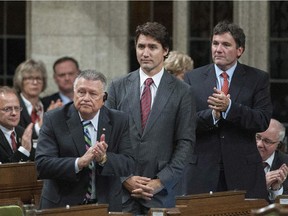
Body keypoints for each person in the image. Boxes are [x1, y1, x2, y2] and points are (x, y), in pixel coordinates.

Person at [106, 22, 195, 215]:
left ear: (165, 51)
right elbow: (104, 137)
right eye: (141, 46)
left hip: (161, 193)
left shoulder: (182, 92)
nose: (145, 53)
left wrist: (161, 181)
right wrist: (125, 178)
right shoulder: (117, 86)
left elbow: (185, 143)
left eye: (152, 47)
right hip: (120, 192)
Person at [184, 20, 272, 199]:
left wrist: (230, 108)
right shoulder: (193, 78)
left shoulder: (257, 79)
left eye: (226, 44)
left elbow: (262, 120)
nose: (218, 49)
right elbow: (185, 122)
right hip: (203, 171)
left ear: (240, 50)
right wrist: (213, 115)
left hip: (243, 172)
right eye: (215, 43)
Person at [35, 70, 135, 211]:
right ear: (74, 93)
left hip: (105, 205)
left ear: (103, 98)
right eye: (81, 92)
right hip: (63, 204)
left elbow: (129, 163)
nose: (86, 98)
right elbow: (42, 165)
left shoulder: (119, 120)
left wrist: (104, 159)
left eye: (93, 94)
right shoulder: (54, 119)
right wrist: (79, 162)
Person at [13, 59, 48, 139]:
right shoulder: (13, 106)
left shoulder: (47, 104)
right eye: (29, 78)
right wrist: (41, 124)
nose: (35, 82)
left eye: (38, 78)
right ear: (20, 81)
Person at [0, 86, 34, 163]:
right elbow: (4, 171)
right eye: (7, 109)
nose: (14, 113)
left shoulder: (23, 133)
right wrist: (23, 150)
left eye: (17, 108)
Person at [256, 118, 288, 201]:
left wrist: (276, 190)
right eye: (258, 137)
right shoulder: (238, 159)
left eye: (267, 141)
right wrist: (261, 186)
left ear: (278, 144)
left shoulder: (285, 163)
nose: (259, 144)